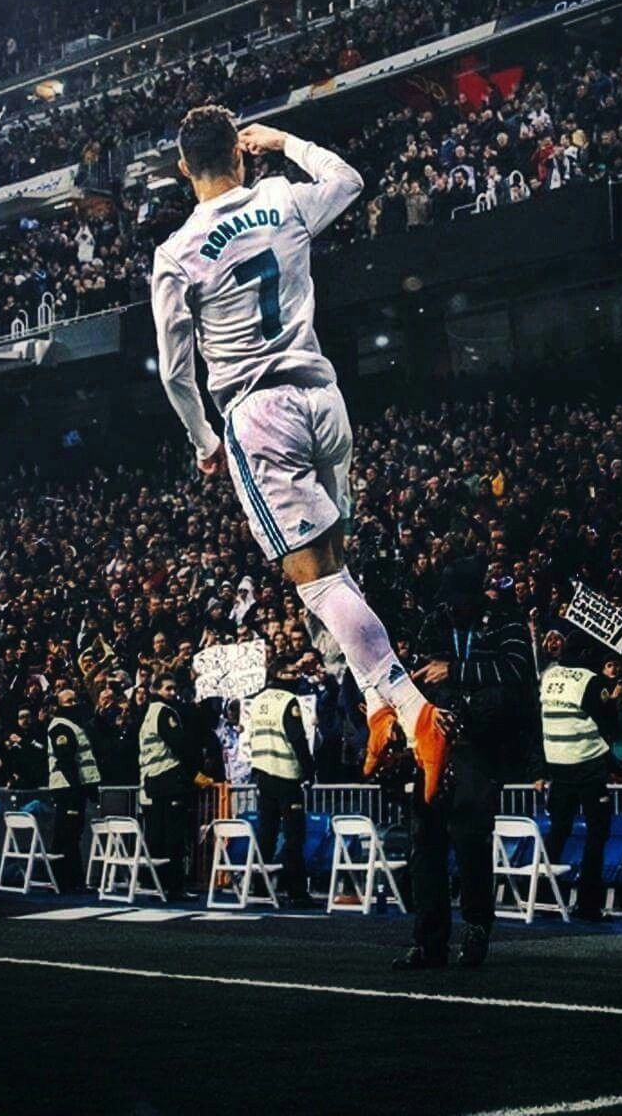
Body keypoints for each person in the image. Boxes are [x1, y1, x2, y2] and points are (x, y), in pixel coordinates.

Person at [151, 105, 447, 799]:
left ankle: (410, 708)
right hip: (324, 399)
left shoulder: (177, 253)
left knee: (314, 580)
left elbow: (174, 371)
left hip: (260, 414)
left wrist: (203, 441)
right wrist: (286, 141)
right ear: (242, 154)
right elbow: (347, 181)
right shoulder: (281, 198)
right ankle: (376, 709)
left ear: (183, 169)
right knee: (338, 570)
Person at [392, 560, 536, 970]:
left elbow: (516, 671)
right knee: (426, 843)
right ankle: (428, 940)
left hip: (481, 745)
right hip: (435, 740)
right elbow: (420, 673)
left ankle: (476, 928)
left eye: (461, 603)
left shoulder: (505, 621)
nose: (454, 610)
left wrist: (455, 672)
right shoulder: (433, 621)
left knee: (471, 840)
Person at [535, 628, 622, 924]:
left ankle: (546, 899)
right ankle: (588, 905)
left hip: (557, 765)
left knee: (558, 831)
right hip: (587, 765)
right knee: (597, 834)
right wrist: (614, 700)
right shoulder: (589, 680)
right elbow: (610, 723)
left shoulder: (548, 677)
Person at [248, 661, 315, 906]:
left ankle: (260, 887)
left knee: (266, 834)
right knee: (294, 836)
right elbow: (297, 738)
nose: (296, 676)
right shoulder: (288, 701)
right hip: (286, 775)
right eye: (291, 672)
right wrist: (310, 771)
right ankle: (297, 892)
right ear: (279, 674)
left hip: (263, 774)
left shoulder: (257, 701)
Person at [139, 672, 194, 901]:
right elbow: (180, 745)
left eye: (174, 688)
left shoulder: (149, 713)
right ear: (156, 690)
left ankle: (156, 884)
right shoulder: (165, 712)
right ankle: (174, 887)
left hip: (152, 779)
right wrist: (193, 771)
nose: (173, 693)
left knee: (157, 836)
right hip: (169, 779)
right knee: (173, 837)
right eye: (168, 689)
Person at [46, 687, 101, 892]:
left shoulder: (73, 724)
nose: (74, 704)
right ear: (59, 705)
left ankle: (65, 880)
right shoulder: (61, 726)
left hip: (72, 787)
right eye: (69, 701)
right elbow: (66, 760)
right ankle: (70, 881)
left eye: (75, 700)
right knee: (68, 835)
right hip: (68, 788)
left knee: (68, 834)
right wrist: (78, 789)